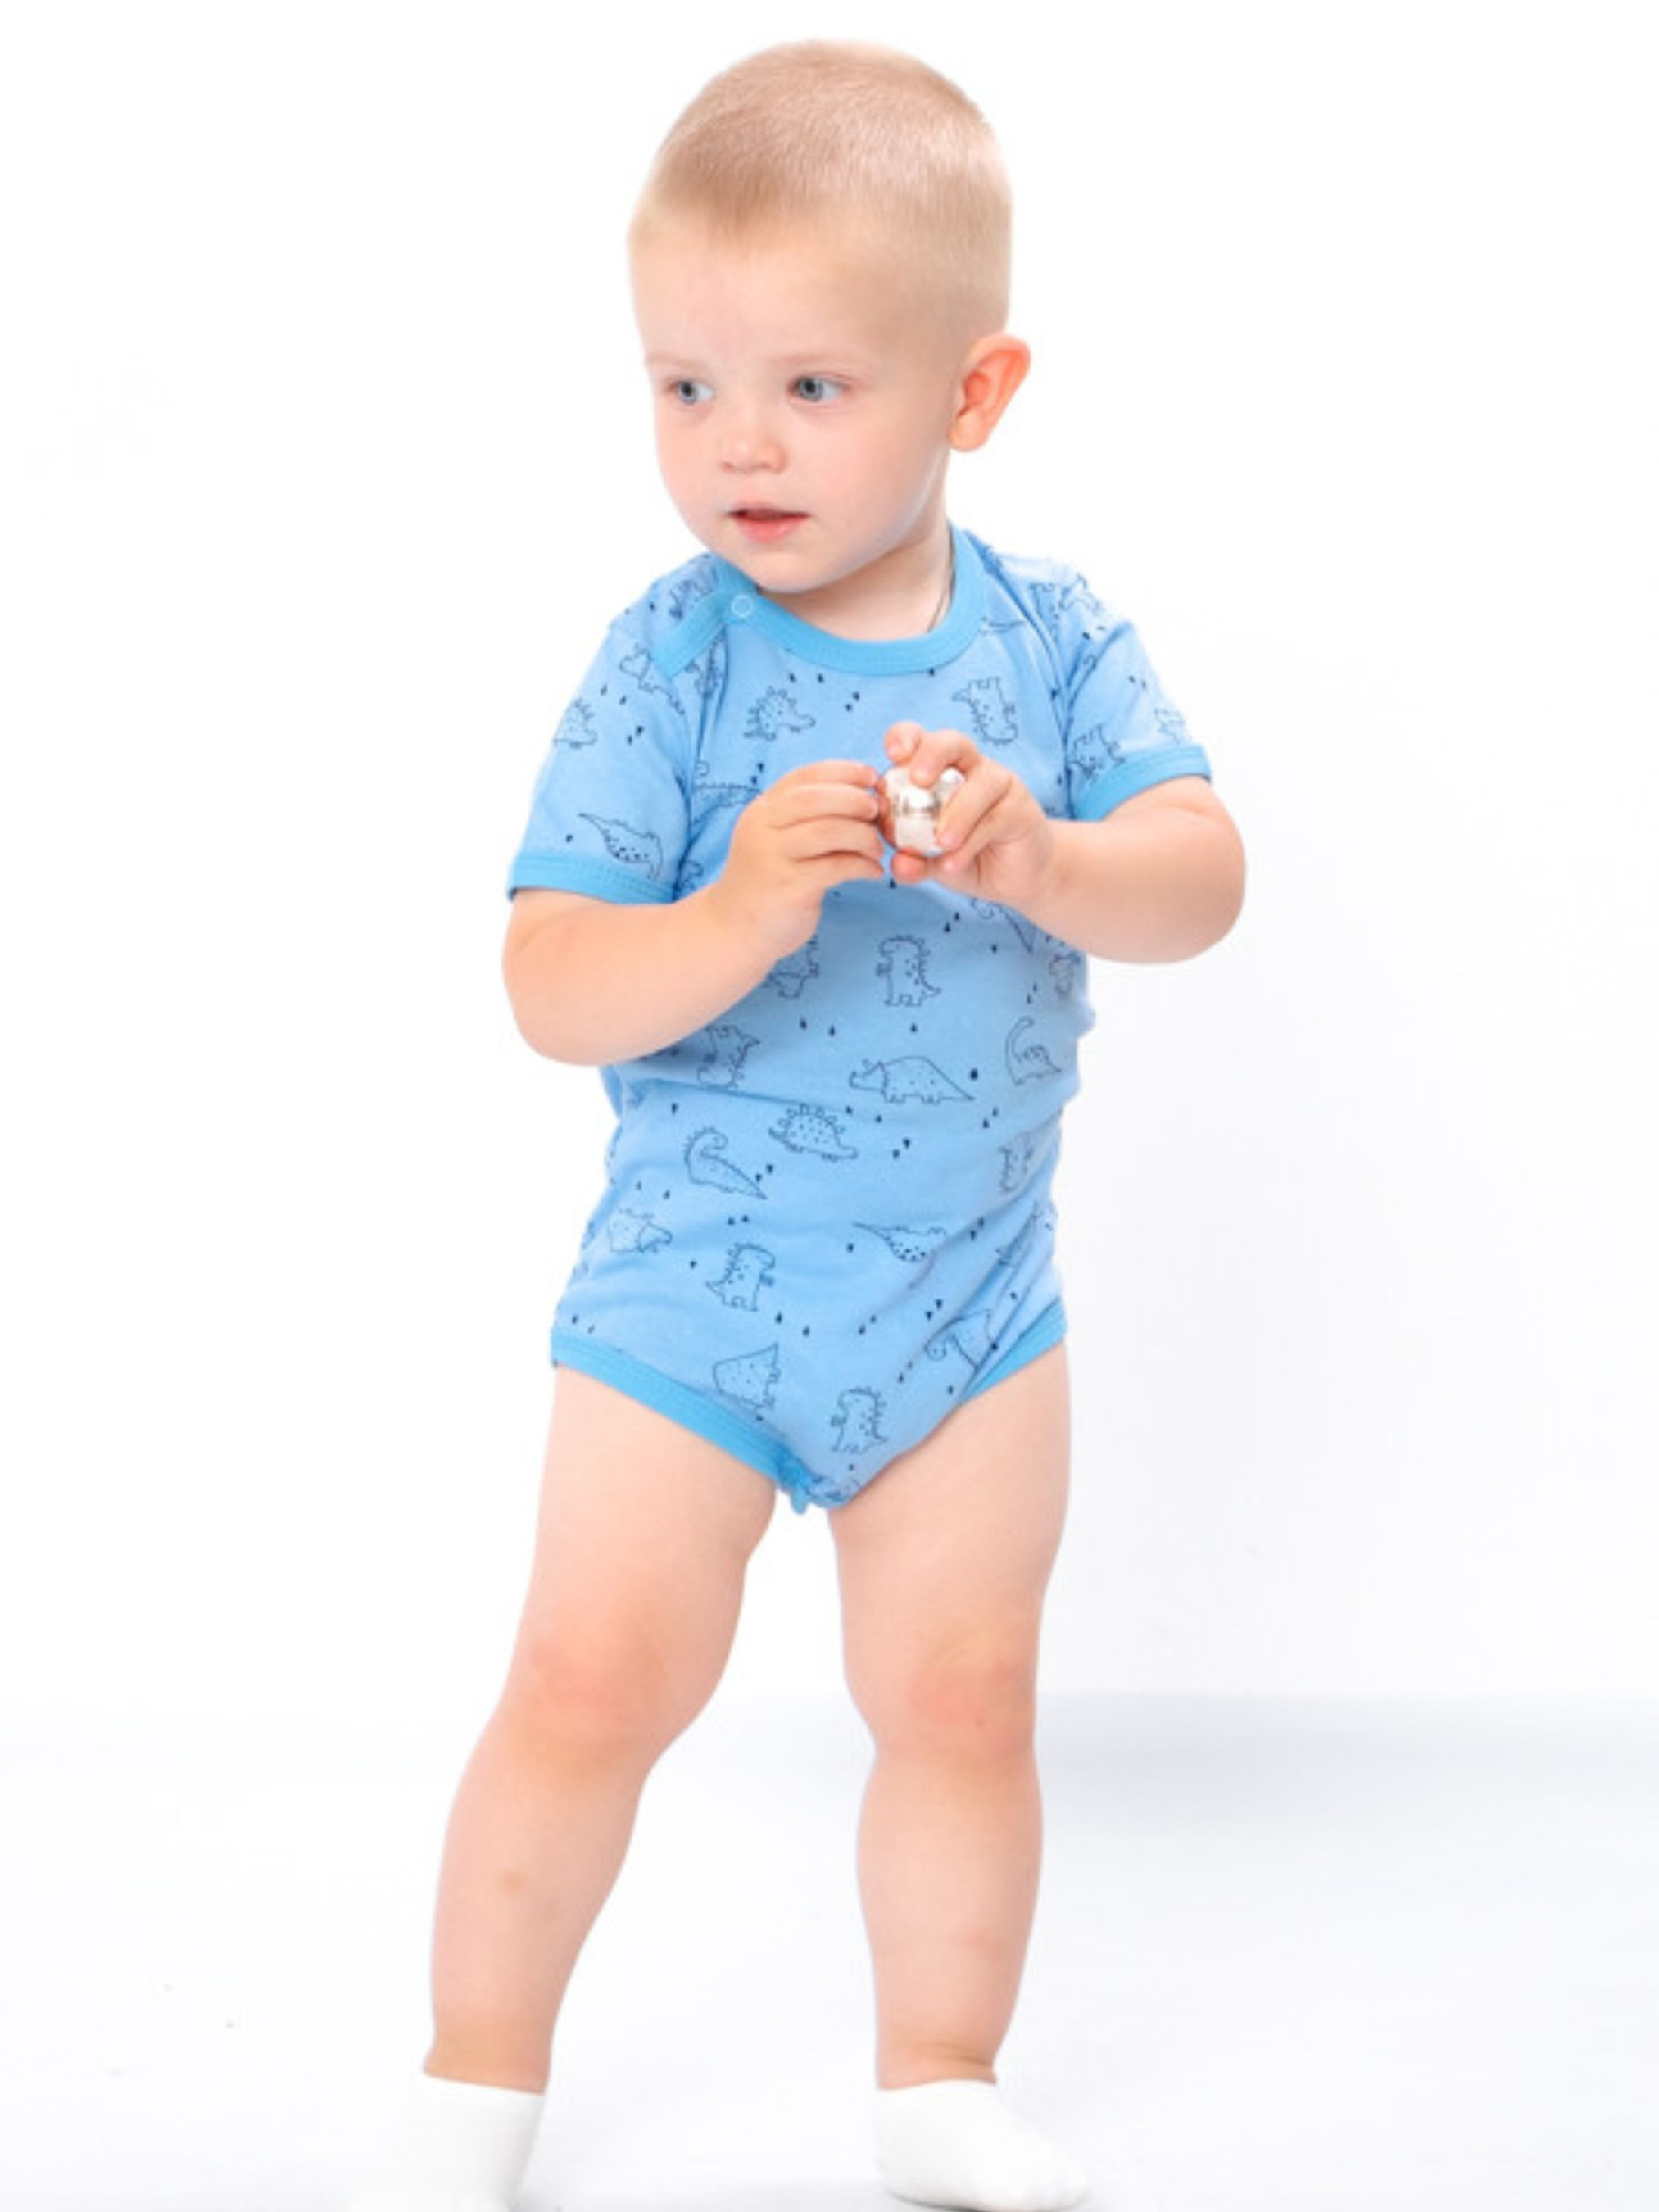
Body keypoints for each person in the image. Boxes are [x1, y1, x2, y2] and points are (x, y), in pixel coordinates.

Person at [351, 39, 1244, 2212]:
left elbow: (1203, 879)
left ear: (973, 391)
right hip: (692, 1308)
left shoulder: (1056, 643)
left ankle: (939, 2085)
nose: (735, 442)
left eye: (810, 387)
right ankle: (472, 2087)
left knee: (963, 1700)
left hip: (969, 1311)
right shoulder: (669, 665)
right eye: (683, 385)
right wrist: (738, 908)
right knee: (587, 1681)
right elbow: (549, 978)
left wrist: (1050, 859)